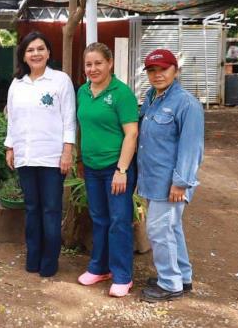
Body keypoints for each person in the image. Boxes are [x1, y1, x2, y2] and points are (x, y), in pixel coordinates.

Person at [4, 31, 76, 278]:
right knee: (32, 208)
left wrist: (67, 151)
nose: (35, 53)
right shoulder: (17, 84)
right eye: (30, 50)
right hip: (25, 156)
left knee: (51, 209)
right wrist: (10, 147)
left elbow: (69, 120)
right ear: (23, 55)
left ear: (48, 53)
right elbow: (11, 119)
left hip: (52, 158)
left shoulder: (60, 80)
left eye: (40, 48)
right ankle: (32, 257)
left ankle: (49, 262)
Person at [137, 49, 204, 302]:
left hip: (171, 183)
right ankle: (182, 277)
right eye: (152, 71)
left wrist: (181, 183)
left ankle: (169, 284)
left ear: (175, 71)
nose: (157, 75)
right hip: (154, 179)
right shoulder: (152, 98)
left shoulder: (187, 103)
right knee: (171, 229)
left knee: (158, 230)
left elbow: (191, 148)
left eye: (163, 69)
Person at [75, 42, 139, 297]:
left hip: (116, 167)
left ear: (110, 63)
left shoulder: (121, 93)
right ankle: (99, 267)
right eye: (88, 64)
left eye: (98, 63)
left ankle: (123, 275)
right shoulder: (82, 91)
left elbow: (131, 134)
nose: (93, 69)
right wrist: (80, 159)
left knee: (119, 221)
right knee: (99, 219)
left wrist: (122, 169)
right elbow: (82, 127)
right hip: (92, 167)